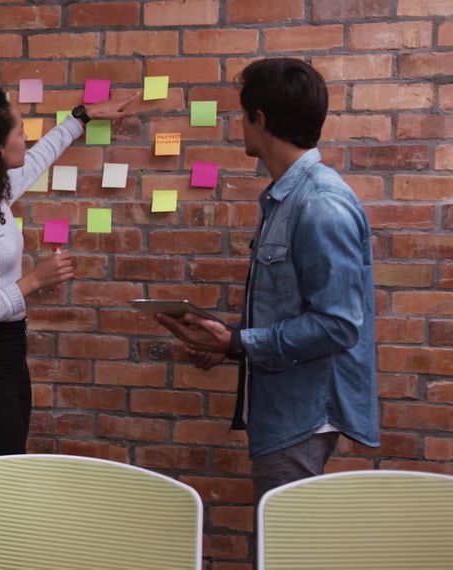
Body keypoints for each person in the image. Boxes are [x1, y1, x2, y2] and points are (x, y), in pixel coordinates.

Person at [154, 58, 379, 555]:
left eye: (241, 115)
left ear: (260, 118)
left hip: (302, 412)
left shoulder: (319, 204)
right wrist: (229, 344)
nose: (239, 125)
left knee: (282, 553)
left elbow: (339, 325)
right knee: (281, 548)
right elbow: (295, 312)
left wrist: (238, 340)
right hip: (286, 406)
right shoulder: (286, 198)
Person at [0, 83, 137, 458]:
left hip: (9, 354)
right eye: (19, 131)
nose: (27, 136)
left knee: (9, 470)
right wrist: (32, 282)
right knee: (2, 481)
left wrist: (83, 116)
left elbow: (38, 159)